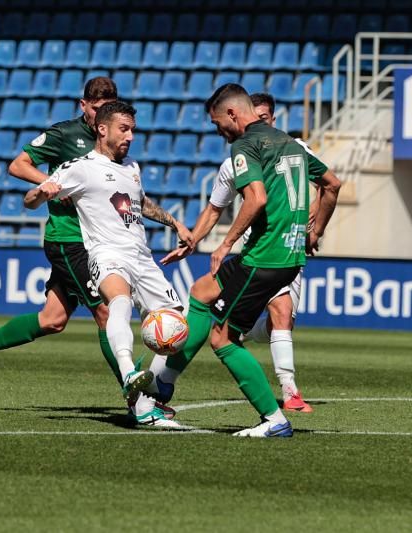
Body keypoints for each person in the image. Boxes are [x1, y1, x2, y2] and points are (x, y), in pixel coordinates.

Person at [148, 84, 341, 437]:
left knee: (223, 338)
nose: (218, 131)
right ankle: (162, 386)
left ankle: (274, 419)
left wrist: (225, 244)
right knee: (201, 291)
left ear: (233, 114)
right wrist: (315, 233)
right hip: (286, 253)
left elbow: (256, 198)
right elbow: (332, 184)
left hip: (265, 256)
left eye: (218, 123)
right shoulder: (289, 143)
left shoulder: (246, 145)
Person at [25, 101, 192, 428]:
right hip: (106, 252)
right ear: (102, 129)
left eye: (132, 130)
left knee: (179, 322)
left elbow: (138, 203)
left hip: (141, 256)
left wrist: (176, 224)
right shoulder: (80, 167)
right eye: (123, 129)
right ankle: (130, 373)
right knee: (119, 301)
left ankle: (153, 385)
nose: (130, 136)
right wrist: (42, 192)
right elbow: (30, 201)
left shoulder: (132, 167)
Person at [0, 78, 126, 393]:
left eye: (109, 110)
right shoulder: (64, 134)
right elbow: (18, 165)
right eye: (97, 110)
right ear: (83, 105)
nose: (102, 118)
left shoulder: (115, 139)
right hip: (70, 239)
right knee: (106, 311)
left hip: (97, 239)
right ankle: (138, 397)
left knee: (52, 319)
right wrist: (50, 182)